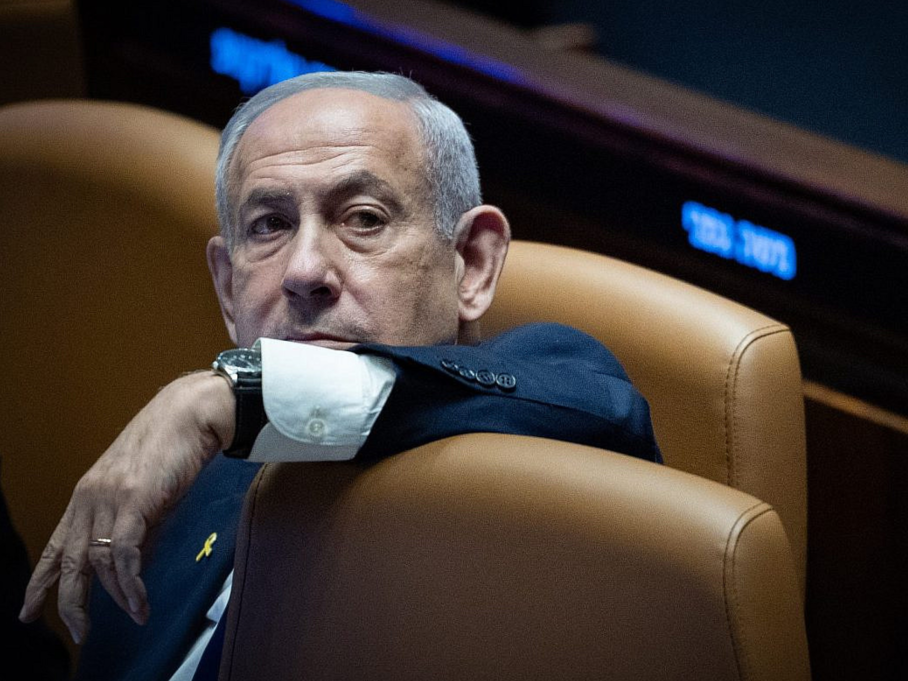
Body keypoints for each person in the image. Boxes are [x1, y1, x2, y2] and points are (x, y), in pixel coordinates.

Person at [18, 71, 660, 680]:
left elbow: (601, 407)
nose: (304, 271)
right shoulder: (178, 485)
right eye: (270, 225)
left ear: (470, 263)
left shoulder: (550, 392)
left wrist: (243, 395)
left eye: (363, 219)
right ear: (227, 286)